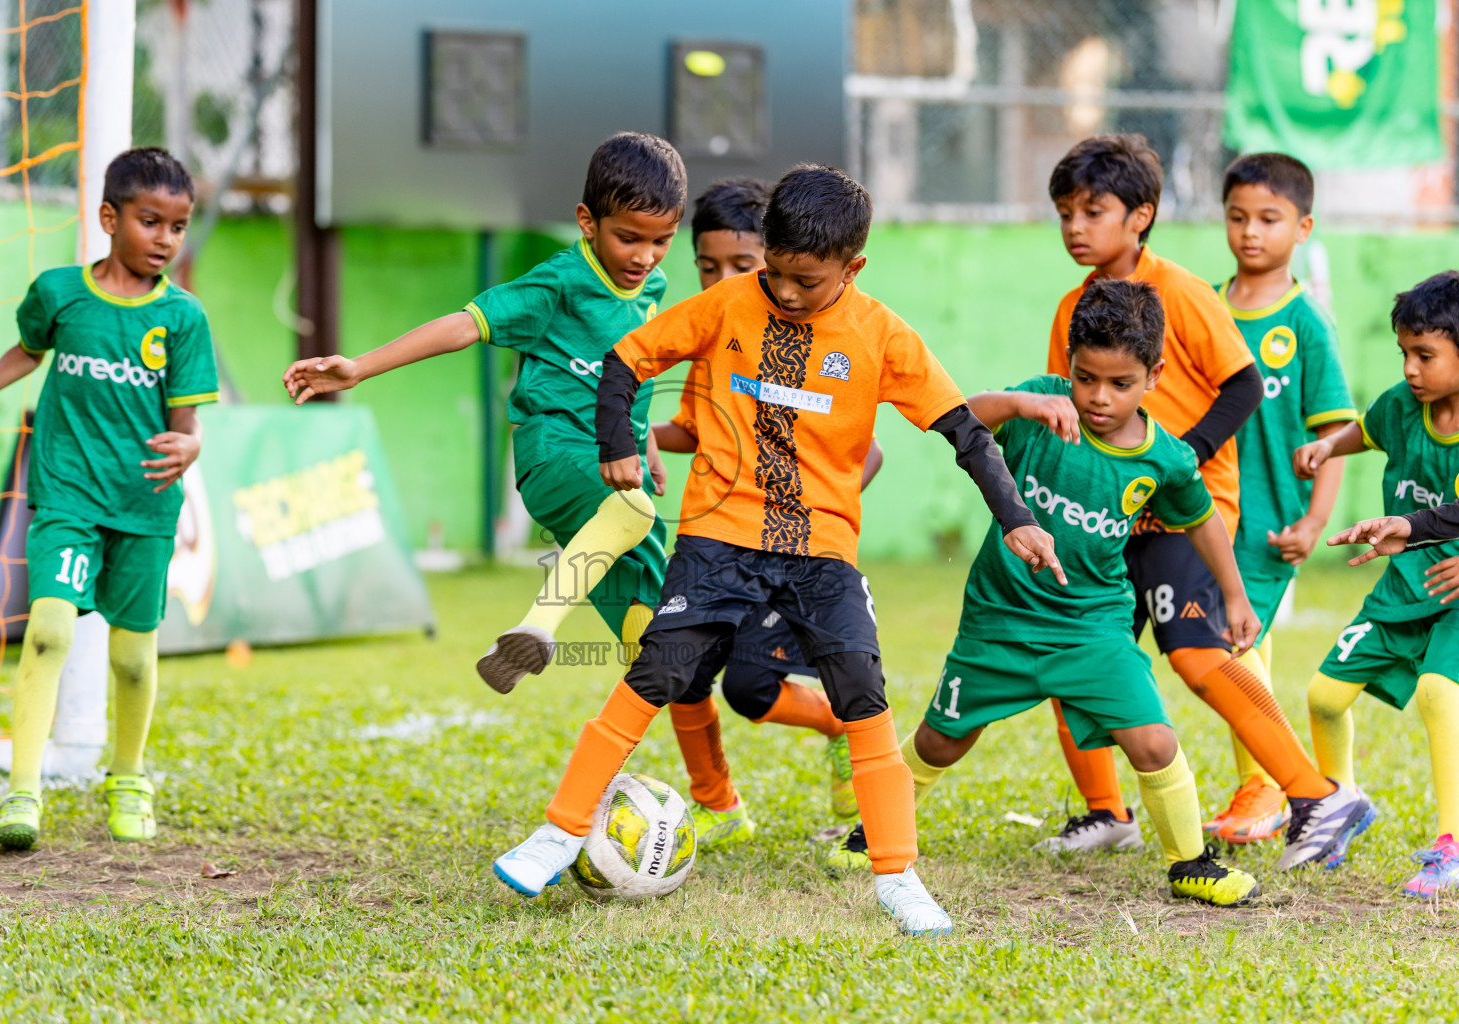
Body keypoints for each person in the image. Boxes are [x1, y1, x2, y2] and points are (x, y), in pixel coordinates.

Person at [492, 164, 1062, 937]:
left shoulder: (882, 335)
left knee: (862, 690)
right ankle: (559, 834)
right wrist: (617, 444)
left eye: (807, 281)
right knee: (655, 673)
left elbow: (963, 429)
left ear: (853, 268)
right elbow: (628, 361)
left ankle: (898, 875)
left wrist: (1018, 517)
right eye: (777, 272)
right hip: (719, 537)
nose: (786, 293)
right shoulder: (729, 303)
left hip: (821, 550)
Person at [826, 280, 1261, 904]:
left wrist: (1235, 596)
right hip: (1000, 619)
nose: (1099, 398)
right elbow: (964, 415)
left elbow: (1201, 518)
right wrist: (1020, 404)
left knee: (1154, 740)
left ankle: (1190, 863)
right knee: (940, 742)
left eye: (1120, 384)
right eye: (1086, 379)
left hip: (1093, 627)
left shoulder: (1163, 458)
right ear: (1069, 367)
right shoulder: (1041, 405)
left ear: (1154, 376)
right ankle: (876, 830)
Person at [1036, 134, 1367, 869]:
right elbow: (1074, 406)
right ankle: (1106, 811)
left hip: (1187, 510)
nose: (1076, 227)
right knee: (1072, 644)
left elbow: (1243, 385)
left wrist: (1176, 461)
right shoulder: (1069, 309)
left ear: (1141, 215)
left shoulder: (1180, 292)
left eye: (1094, 211)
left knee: (1194, 655)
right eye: (1065, 212)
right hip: (1109, 515)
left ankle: (1317, 796)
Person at [283, 132, 683, 694]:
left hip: (612, 474)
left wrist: (647, 445)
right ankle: (535, 629)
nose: (644, 256)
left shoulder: (653, 287)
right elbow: (462, 326)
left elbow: (633, 373)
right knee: (634, 510)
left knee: (659, 646)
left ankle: (615, 773)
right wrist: (360, 367)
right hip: (556, 455)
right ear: (587, 222)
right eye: (628, 238)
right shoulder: (559, 283)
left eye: (661, 240)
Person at [0, 148, 218, 849]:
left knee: (132, 660)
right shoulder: (58, 292)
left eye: (178, 226)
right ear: (109, 218)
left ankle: (129, 776)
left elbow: (187, 423)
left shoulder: (184, 320)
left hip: (143, 506)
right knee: (48, 630)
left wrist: (190, 446)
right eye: (150, 221)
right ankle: (22, 794)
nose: (166, 238)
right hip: (66, 493)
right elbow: (29, 349)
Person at [650, 178, 885, 839]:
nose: (723, 278)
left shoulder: (816, 340)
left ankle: (843, 726)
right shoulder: (715, 336)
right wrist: (633, 432)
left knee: (750, 688)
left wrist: (806, 520)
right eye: (707, 266)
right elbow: (698, 430)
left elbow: (869, 454)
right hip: (721, 544)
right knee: (681, 670)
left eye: (741, 266)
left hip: (790, 552)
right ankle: (718, 805)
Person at [1204, 152, 1355, 843]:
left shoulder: (1308, 325)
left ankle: (1265, 787)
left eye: (1269, 219)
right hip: (1205, 514)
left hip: (1269, 520)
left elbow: (1334, 436)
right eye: (1238, 217)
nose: (1251, 233)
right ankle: (1274, 784)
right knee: (1220, 647)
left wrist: (1316, 520)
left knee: (1235, 647)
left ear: (1303, 228)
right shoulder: (1204, 307)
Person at [1296, 271, 1459, 897]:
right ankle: (1339, 805)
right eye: (1405, 354)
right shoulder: (1403, 405)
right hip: (1402, 589)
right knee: (1323, 696)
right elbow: (1369, 427)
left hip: (1452, 597)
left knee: (1440, 693)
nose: (1412, 369)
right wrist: (1328, 447)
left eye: (1426, 355)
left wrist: (1412, 527)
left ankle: (1450, 845)